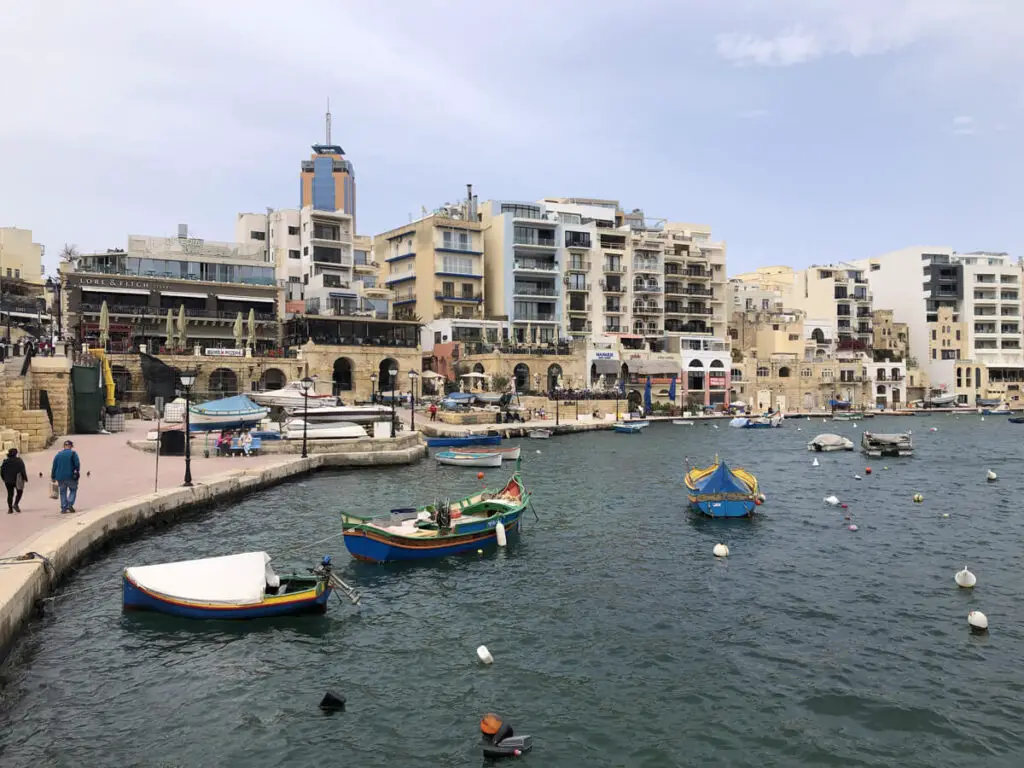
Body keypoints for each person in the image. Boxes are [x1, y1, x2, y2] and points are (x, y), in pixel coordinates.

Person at [51, 439, 81, 514]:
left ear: (64, 446)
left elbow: (54, 466)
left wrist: (53, 476)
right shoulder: (73, 454)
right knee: (73, 490)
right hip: (71, 476)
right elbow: (77, 464)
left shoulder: (58, 455)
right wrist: (77, 471)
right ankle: (69, 504)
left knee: (63, 492)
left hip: (60, 477)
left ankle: (64, 507)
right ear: (71, 446)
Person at [1, 448, 28, 514]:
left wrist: (4, 479)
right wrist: (25, 478)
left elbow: (1, 471)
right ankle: (16, 504)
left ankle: (10, 509)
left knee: (10, 494)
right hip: (17, 480)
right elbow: (22, 470)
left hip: (8, 481)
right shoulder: (19, 461)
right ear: (16, 454)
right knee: (19, 492)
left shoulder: (5, 461)